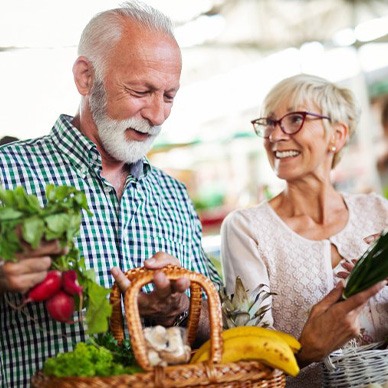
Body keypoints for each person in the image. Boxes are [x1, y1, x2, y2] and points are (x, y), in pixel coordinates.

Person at [0, 2, 221, 387]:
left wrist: (181, 307)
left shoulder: (173, 195)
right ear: (86, 77)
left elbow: (219, 326)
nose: (157, 114)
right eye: (141, 90)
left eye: (169, 96)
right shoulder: (7, 173)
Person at [220, 73, 388, 387]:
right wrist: (306, 351)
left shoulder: (380, 212)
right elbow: (247, 364)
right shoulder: (247, 230)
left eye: (295, 119)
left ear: (337, 135)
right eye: (269, 123)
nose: (275, 135)